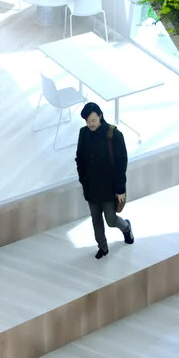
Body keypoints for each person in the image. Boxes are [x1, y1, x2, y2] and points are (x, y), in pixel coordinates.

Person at [76, 99, 135, 257]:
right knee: (96, 219)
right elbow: (79, 158)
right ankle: (102, 247)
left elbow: (121, 163)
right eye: (88, 121)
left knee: (110, 219)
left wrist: (120, 189)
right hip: (91, 186)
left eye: (93, 120)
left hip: (109, 187)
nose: (91, 124)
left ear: (100, 116)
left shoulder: (114, 134)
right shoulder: (83, 133)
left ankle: (126, 227)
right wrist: (83, 179)